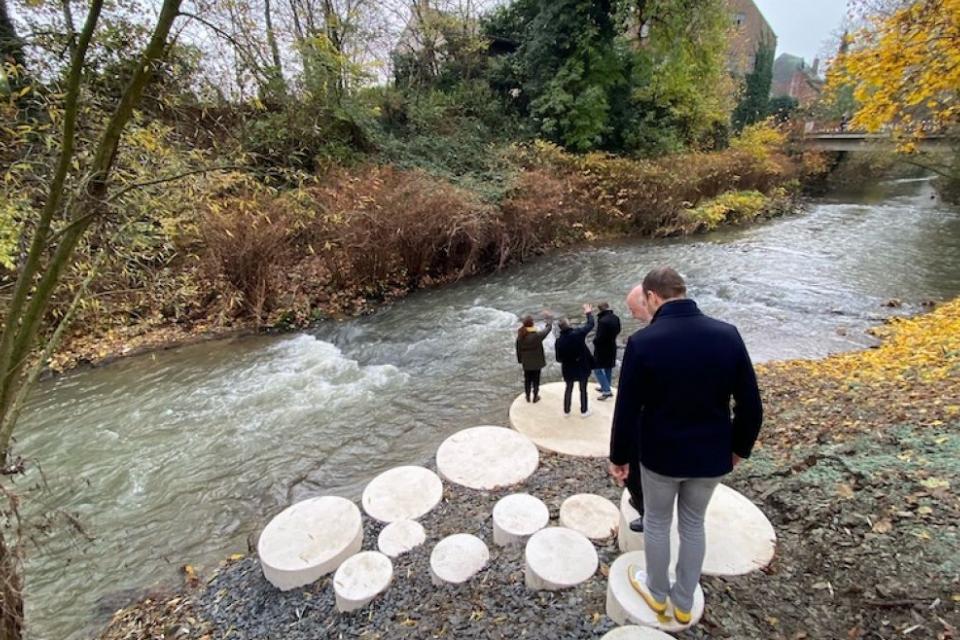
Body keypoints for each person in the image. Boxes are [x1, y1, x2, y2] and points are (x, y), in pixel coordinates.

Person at [608, 267, 763, 625]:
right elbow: (751, 406)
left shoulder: (643, 343)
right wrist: (740, 448)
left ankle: (657, 595)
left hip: (660, 456)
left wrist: (619, 456)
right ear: (683, 291)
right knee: (694, 525)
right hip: (712, 456)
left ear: (652, 297)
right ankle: (682, 601)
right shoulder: (727, 335)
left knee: (659, 524)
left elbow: (626, 408)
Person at [554, 304, 595, 417]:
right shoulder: (578, 334)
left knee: (568, 389)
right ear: (569, 325)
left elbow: (558, 358)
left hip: (568, 368)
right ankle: (584, 411)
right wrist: (588, 312)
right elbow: (590, 324)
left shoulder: (558, 341)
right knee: (583, 389)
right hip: (582, 366)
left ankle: (566, 411)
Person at [516, 312, 553, 403]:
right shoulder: (537, 336)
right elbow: (548, 329)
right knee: (536, 380)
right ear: (532, 324)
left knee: (527, 380)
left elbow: (518, 350)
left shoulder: (520, 336)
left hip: (526, 363)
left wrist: (520, 360)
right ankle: (535, 397)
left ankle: (527, 396)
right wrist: (548, 318)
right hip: (537, 363)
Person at [592, 302, 621, 401]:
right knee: (608, 367)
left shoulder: (603, 321)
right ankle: (606, 386)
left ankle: (606, 391)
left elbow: (599, 337)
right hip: (612, 346)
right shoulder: (615, 318)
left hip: (602, 348)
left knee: (597, 368)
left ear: (600, 310)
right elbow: (618, 330)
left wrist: (594, 342)